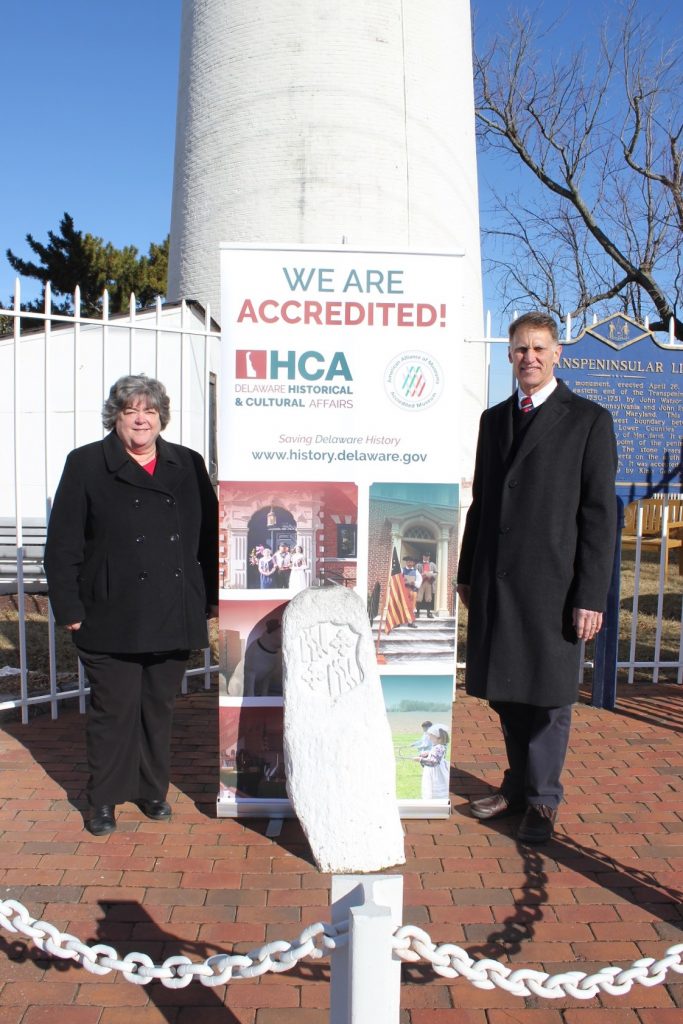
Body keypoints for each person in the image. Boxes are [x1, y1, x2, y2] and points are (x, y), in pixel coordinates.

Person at [456, 311, 617, 844]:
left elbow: (598, 515)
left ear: (557, 354)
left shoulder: (588, 420)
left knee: (548, 697)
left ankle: (543, 801)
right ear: (509, 354)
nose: (530, 357)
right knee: (506, 690)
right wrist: (465, 572)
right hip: (497, 579)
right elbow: (482, 502)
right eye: (521, 348)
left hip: (554, 586)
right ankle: (519, 785)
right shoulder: (492, 419)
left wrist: (590, 594)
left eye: (540, 348)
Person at [44, 374, 218, 837]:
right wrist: (71, 610)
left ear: (162, 417)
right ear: (116, 417)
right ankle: (102, 799)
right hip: (109, 610)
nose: (141, 419)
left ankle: (151, 789)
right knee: (113, 711)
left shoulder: (188, 463)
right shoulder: (85, 464)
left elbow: (209, 538)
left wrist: (209, 600)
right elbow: (62, 545)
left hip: (173, 608)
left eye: (150, 411)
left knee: (157, 707)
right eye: (130, 411)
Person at [415, 723, 450, 800]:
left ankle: (436, 798)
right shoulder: (438, 747)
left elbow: (434, 762)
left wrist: (420, 759)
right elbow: (435, 755)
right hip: (434, 769)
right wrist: (427, 754)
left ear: (439, 738)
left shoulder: (439, 747)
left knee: (433, 785)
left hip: (436, 771)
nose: (430, 739)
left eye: (431, 737)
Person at [401, 557, 421, 628]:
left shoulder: (416, 571)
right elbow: (398, 579)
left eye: (411, 562)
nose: (410, 563)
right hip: (404, 590)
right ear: (406, 562)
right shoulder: (402, 570)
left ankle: (411, 622)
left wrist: (414, 582)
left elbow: (419, 581)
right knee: (402, 605)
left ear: (413, 563)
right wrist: (403, 581)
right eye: (408, 562)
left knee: (412, 606)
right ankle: (399, 621)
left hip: (412, 591)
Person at [416, 552, 437, 618]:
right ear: (423, 556)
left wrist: (430, 574)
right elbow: (416, 573)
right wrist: (422, 574)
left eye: (428, 556)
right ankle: (417, 612)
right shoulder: (419, 564)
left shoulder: (432, 564)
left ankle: (429, 613)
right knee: (419, 598)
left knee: (428, 598)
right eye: (425, 556)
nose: (426, 557)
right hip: (421, 582)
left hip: (429, 583)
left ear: (429, 557)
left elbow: (436, 573)